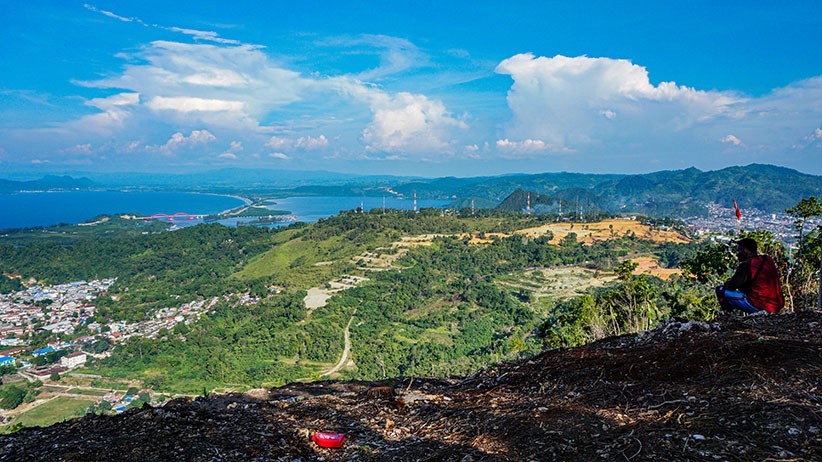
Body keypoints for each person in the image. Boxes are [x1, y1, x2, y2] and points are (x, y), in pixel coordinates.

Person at [716, 238, 784, 314]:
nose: (737, 254)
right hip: (776, 305)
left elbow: (732, 286)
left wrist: (728, 282)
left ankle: (727, 315)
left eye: (739, 250)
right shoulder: (767, 259)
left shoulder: (747, 265)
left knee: (720, 290)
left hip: (760, 304)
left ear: (745, 251)